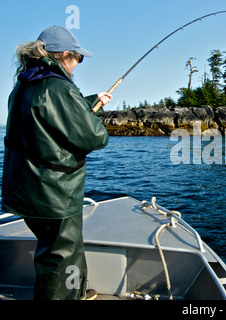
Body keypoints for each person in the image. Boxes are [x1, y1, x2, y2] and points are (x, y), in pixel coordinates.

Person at [1, 26, 111, 300]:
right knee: (63, 256)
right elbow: (95, 137)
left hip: (26, 190)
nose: (78, 65)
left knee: (53, 249)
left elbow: (49, 116)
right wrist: (95, 118)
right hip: (55, 193)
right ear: (64, 55)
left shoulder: (24, 84)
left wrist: (90, 101)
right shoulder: (59, 87)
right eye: (78, 58)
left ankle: (78, 291)